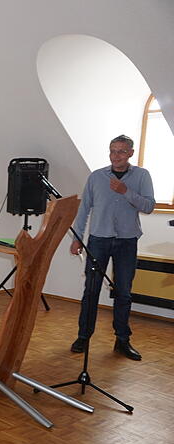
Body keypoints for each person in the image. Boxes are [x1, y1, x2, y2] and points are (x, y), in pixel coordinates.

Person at [69, 134, 155, 361]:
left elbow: (149, 206)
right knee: (91, 290)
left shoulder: (142, 176)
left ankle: (122, 340)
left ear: (130, 154)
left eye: (121, 151)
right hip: (99, 240)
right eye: (112, 151)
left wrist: (124, 191)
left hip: (127, 241)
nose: (115, 156)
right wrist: (77, 238)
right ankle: (83, 336)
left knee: (124, 292)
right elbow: (84, 208)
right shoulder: (96, 177)